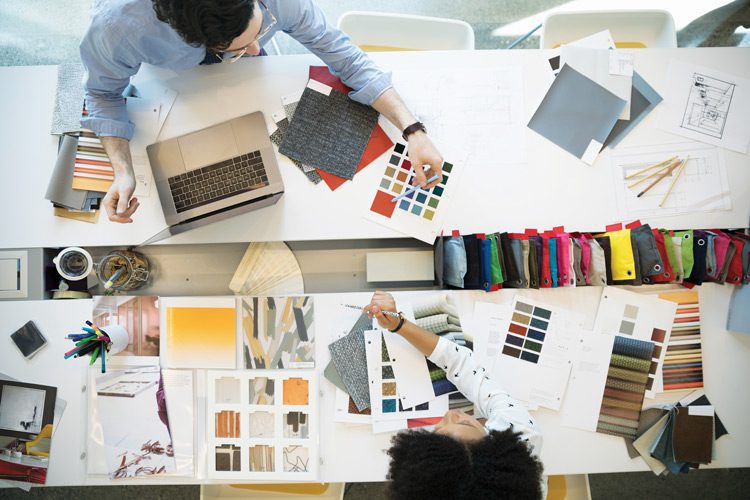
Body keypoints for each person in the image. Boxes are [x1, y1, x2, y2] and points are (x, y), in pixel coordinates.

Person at [79, 0, 444, 224]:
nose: (257, 49)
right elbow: (101, 94)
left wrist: (413, 129)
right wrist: (123, 172)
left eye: (260, 30)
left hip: (255, 93)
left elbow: (345, 56)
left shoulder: (275, 4)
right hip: (178, 92)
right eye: (238, 47)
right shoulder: (119, 27)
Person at [364, 291, 546, 500]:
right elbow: (462, 365)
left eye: (436, 432)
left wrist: (399, 326)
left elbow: (460, 363)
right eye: (467, 424)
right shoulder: (522, 436)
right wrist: (398, 325)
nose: (452, 413)